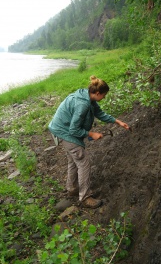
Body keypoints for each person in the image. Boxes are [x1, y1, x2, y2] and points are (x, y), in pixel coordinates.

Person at [48, 75, 130, 208]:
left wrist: (118, 121)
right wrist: (91, 133)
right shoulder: (83, 104)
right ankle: (85, 197)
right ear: (97, 93)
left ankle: (72, 188)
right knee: (83, 161)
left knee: (73, 160)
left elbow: (100, 113)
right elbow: (74, 130)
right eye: (104, 95)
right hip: (64, 131)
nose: (104, 98)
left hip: (61, 128)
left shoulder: (88, 98)